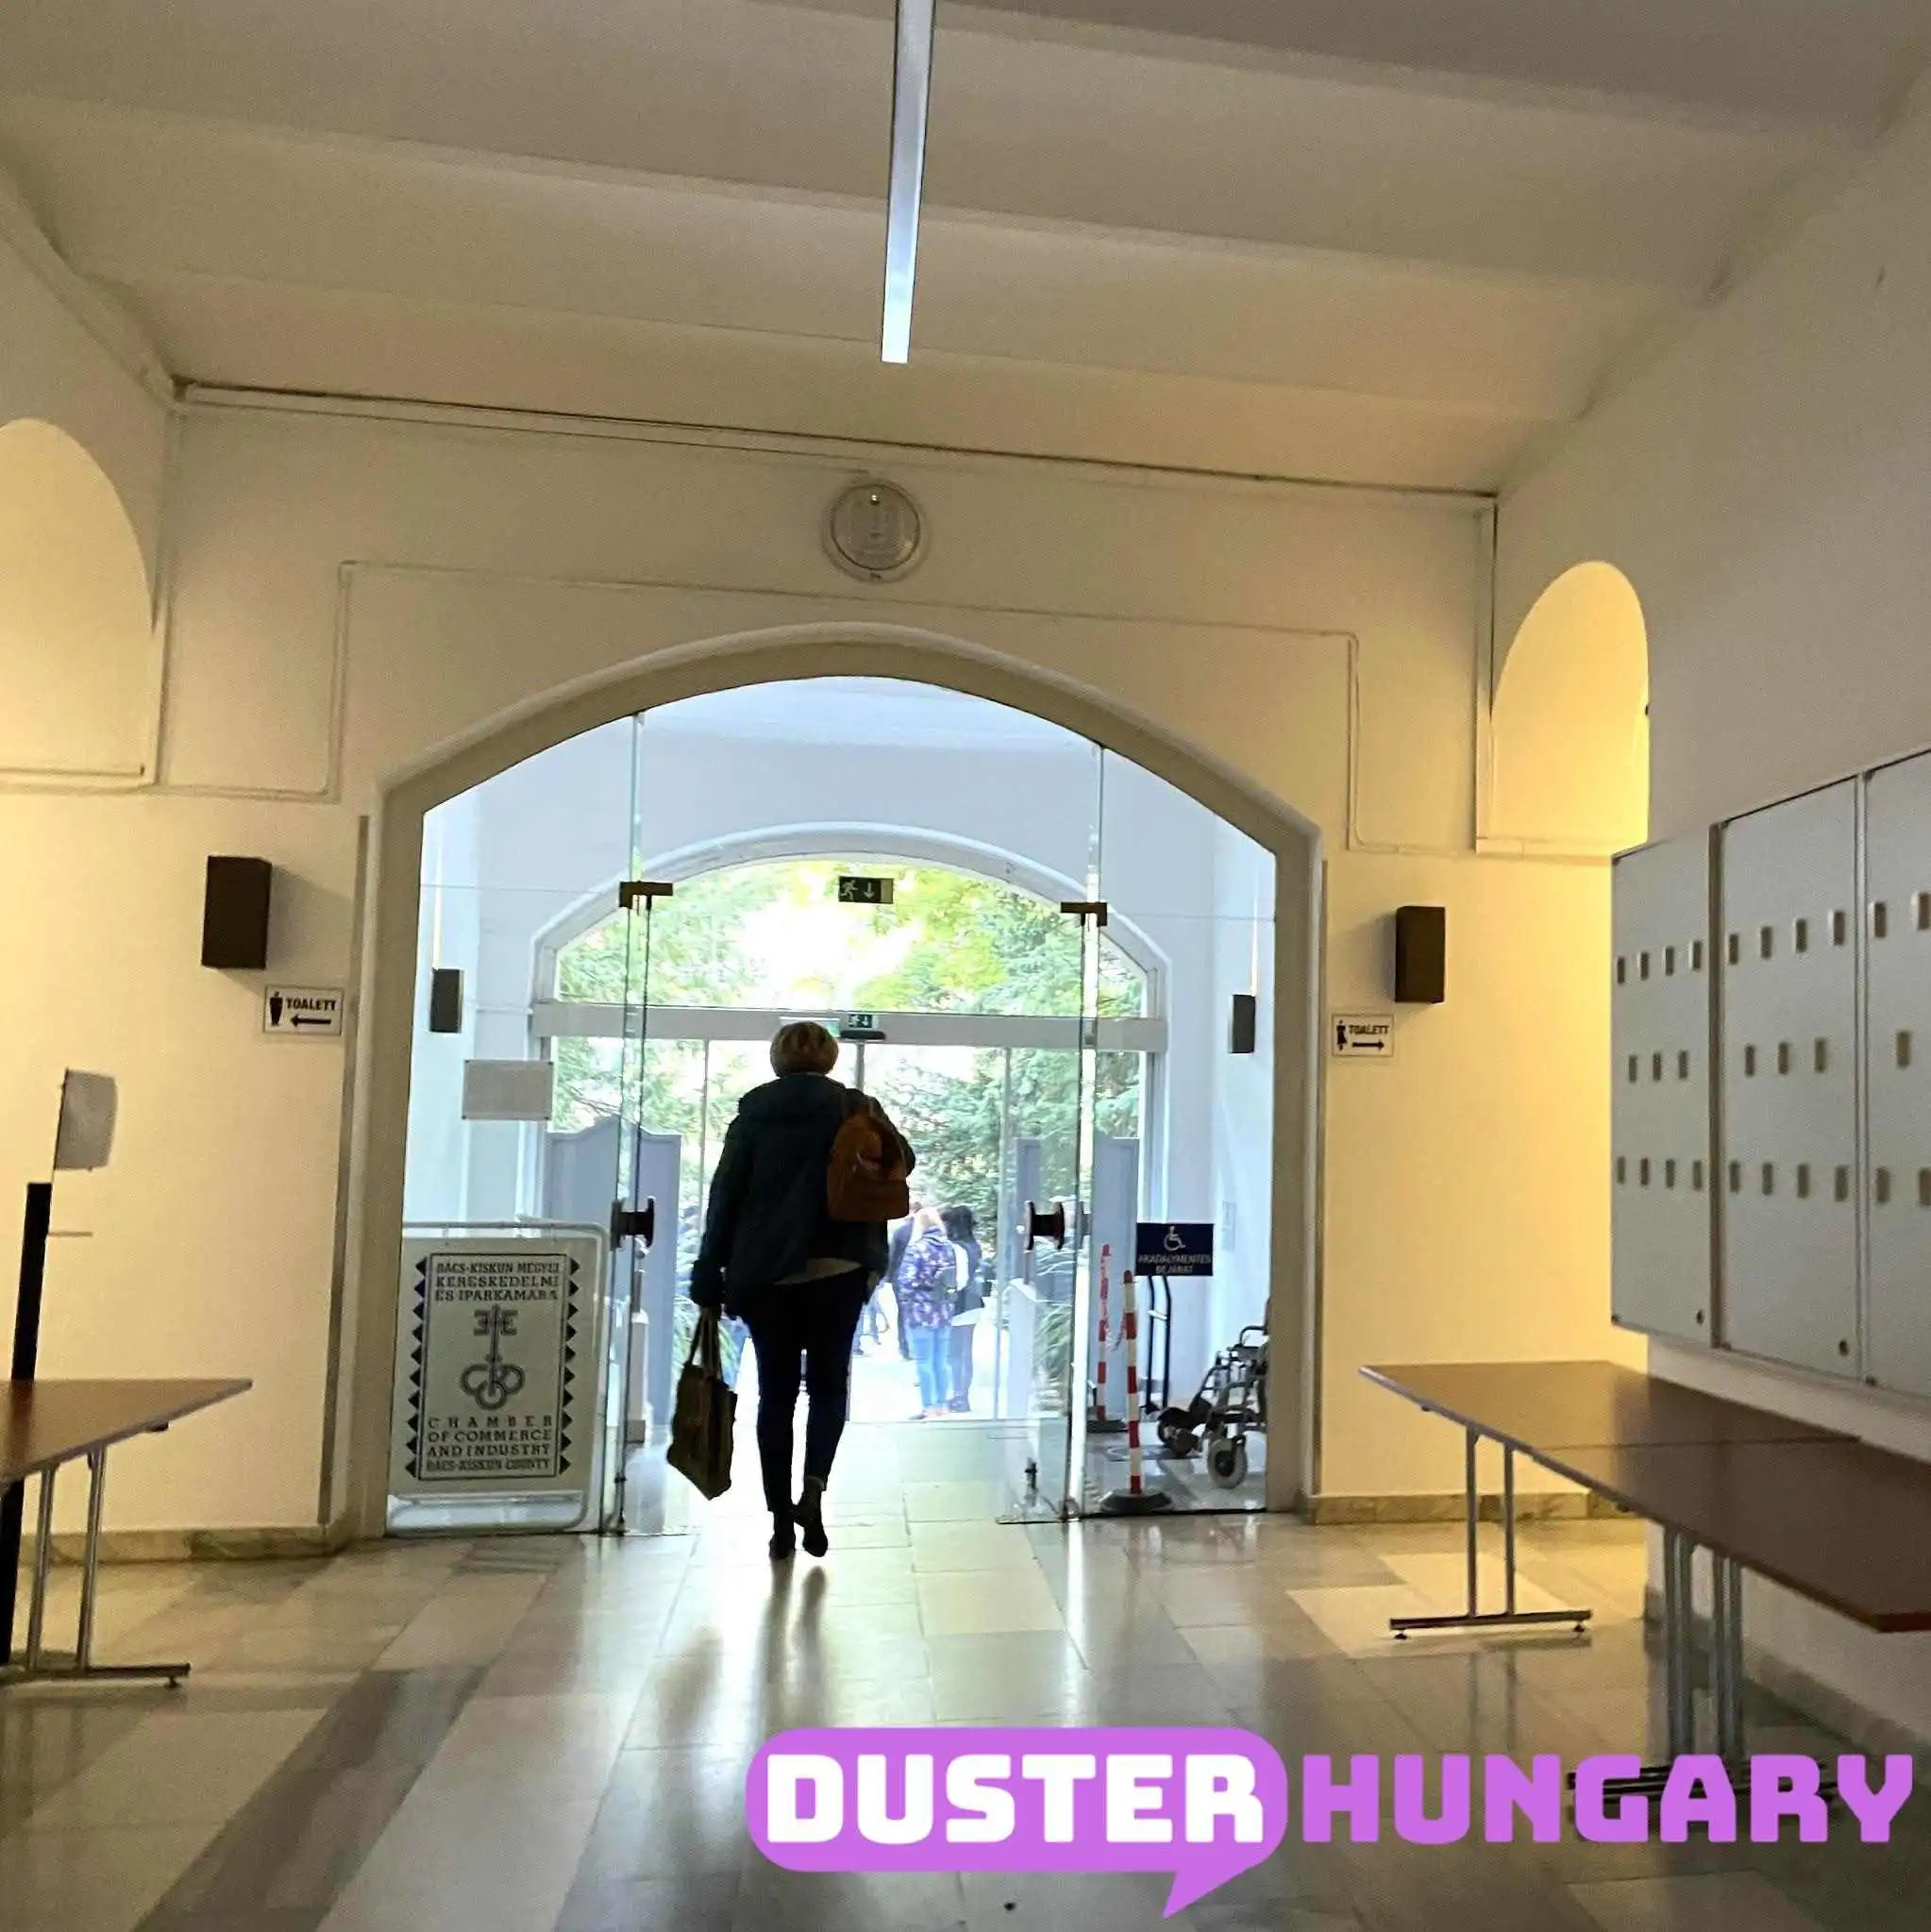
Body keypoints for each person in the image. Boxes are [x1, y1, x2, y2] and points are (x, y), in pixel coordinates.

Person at [689, 1020, 915, 1560]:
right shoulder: (857, 1107)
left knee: (777, 1394)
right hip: (841, 1266)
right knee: (830, 1387)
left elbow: (725, 1197)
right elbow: (902, 1162)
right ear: (831, 1059)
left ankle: (779, 1524)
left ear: (777, 1060)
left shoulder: (753, 1115)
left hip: (766, 1273)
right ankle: (813, 1490)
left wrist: (709, 1269)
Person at [896, 1206, 959, 1418]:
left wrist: (906, 1304)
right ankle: (943, 1405)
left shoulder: (917, 1249)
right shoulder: (948, 1247)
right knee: (942, 1360)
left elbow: (906, 1283)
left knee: (924, 1362)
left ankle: (928, 1406)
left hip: (921, 1312)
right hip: (944, 1311)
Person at [941, 1204, 984, 1414]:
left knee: (956, 1354)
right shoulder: (974, 1245)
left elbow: (952, 1279)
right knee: (965, 1352)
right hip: (973, 1302)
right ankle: (962, 1395)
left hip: (958, 1304)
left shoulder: (956, 1247)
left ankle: (960, 1397)